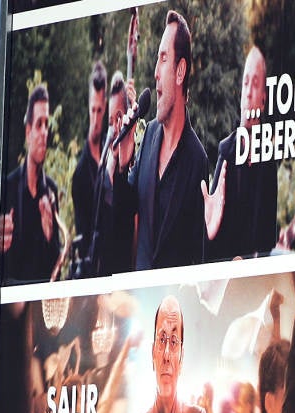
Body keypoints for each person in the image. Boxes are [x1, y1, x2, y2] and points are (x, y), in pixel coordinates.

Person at [115, 9, 207, 270]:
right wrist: (122, 166)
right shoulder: (150, 136)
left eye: (163, 59)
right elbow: (124, 218)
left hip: (174, 307)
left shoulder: (197, 159)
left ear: (180, 72)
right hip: (139, 304)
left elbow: (197, 260)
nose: (155, 71)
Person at [202, 45, 278, 261]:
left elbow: (267, 242)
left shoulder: (268, 159)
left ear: (263, 99)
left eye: (255, 84)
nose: (249, 92)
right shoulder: (227, 150)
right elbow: (210, 240)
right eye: (245, 84)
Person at [1, 85, 63, 284]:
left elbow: (56, 272)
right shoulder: (7, 189)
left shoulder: (51, 191)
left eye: (47, 124)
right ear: (28, 132)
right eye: (39, 125)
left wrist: (49, 236)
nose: (45, 132)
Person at [90, 72, 139, 275]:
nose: (114, 127)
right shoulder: (103, 170)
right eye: (111, 121)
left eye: (119, 117)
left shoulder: (136, 166)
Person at [71, 61, 108, 276]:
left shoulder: (111, 152)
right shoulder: (80, 175)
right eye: (92, 110)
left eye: (100, 110)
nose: (95, 118)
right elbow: (83, 241)